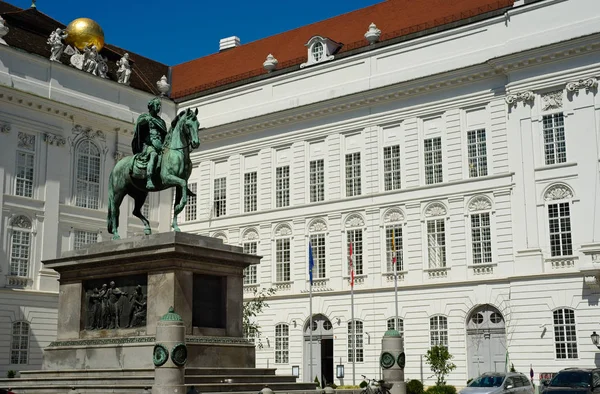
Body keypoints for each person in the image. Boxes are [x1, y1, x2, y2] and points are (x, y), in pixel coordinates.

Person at [131, 97, 168, 190]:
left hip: (161, 145)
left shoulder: (161, 121)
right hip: (149, 146)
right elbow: (139, 124)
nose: (159, 107)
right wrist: (146, 120)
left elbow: (165, 135)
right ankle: (149, 178)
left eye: (160, 105)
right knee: (154, 155)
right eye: (157, 105)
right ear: (151, 106)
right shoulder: (144, 117)